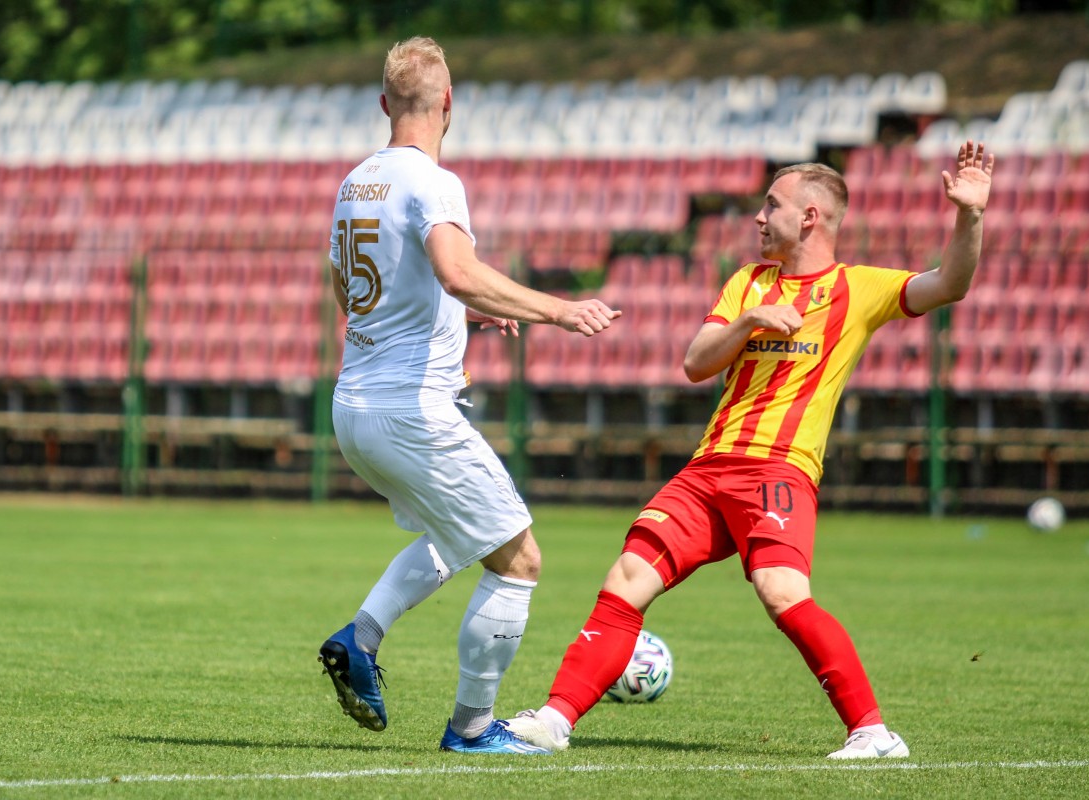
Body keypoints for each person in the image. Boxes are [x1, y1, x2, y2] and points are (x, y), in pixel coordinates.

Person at [503, 141, 995, 759]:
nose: (759, 217)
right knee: (627, 576)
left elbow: (950, 283)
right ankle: (553, 720)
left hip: (778, 471)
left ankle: (873, 733)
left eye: (772, 205)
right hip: (707, 469)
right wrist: (750, 321)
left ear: (810, 217)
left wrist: (970, 214)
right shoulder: (748, 283)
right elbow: (695, 363)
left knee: (781, 592)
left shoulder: (857, 289)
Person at [319, 36, 621, 755]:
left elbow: (351, 291)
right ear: (449, 103)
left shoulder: (355, 183)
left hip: (354, 406)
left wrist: (459, 318)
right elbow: (456, 272)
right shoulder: (434, 181)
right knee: (518, 559)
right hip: (410, 410)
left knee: (456, 537)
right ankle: (473, 728)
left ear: (384, 104)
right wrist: (558, 309)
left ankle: (359, 639)